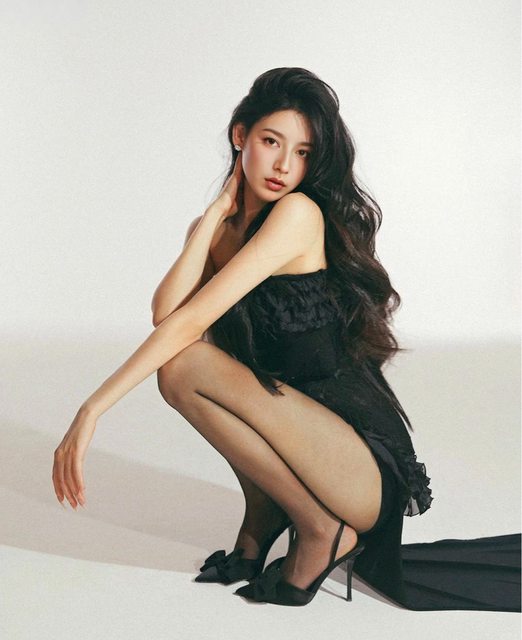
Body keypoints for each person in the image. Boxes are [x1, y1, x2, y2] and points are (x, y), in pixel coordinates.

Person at [52, 67, 520, 610]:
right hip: (305, 447)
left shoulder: (297, 215)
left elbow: (184, 325)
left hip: (358, 467)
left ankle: (323, 529)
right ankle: (267, 510)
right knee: (181, 366)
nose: (283, 166)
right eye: (272, 142)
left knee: (184, 365)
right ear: (240, 136)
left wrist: (92, 409)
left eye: (302, 153)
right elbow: (166, 313)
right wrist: (212, 218)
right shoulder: (217, 230)